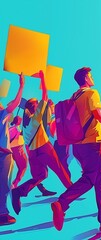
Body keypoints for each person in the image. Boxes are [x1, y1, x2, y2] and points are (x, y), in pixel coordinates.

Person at [51, 67, 101, 231]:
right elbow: (98, 115)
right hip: (93, 143)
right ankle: (62, 202)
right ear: (86, 78)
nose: (93, 77)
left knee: (100, 181)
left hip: (78, 146)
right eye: (91, 74)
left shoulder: (74, 96)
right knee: (90, 179)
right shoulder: (91, 93)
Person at [12, 71, 72, 215]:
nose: (39, 103)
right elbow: (45, 96)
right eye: (36, 103)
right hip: (45, 149)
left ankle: (19, 191)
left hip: (33, 153)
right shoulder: (35, 117)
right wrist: (43, 79)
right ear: (33, 107)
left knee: (41, 176)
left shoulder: (25, 124)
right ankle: (72, 192)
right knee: (60, 170)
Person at [9, 115, 56, 196]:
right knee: (24, 168)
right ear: (18, 121)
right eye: (20, 120)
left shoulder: (17, 128)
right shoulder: (14, 129)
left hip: (22, 150)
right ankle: (14, 185)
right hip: (19, 150)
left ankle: (42, 190)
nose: (21, 121)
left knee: (35, 173)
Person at [0, 73, 24, 226]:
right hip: (3, 154)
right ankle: (2, 214)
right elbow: (14, 104)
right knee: (4, 184)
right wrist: (21, 86)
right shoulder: (2, 113)